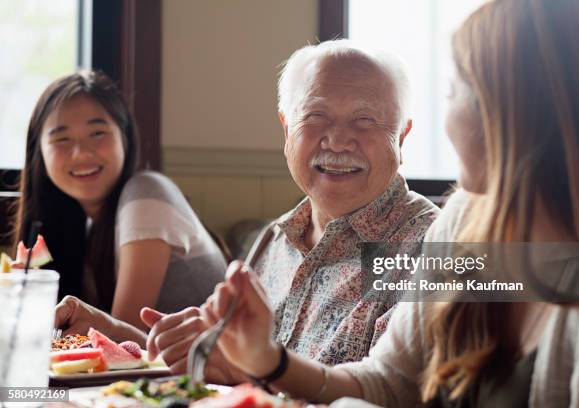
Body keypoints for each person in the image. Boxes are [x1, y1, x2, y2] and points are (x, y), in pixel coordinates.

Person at [193, 0, 579, 406]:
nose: (338, 140)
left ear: (507, 114)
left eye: (453, 93)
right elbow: (391, 382)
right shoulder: (466, 223)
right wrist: (266, 359)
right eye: (317, 116)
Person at [57, 41, 439, 369]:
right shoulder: (273, 240)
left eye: (365, 120)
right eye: (316, 116)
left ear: (402, 135)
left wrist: (251, 372)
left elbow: (395, 393)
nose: (338, 140)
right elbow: (206, 357)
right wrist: (109, 330)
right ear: (287, 129)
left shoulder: (436, 246)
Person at [15, 71, 227, 331]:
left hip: (207, 370)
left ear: (124, 137)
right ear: (40, 153)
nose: (81, 153)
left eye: (97, 133)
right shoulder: (85, 229)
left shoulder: (146, 193)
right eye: (62, 139)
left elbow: (121, 340)